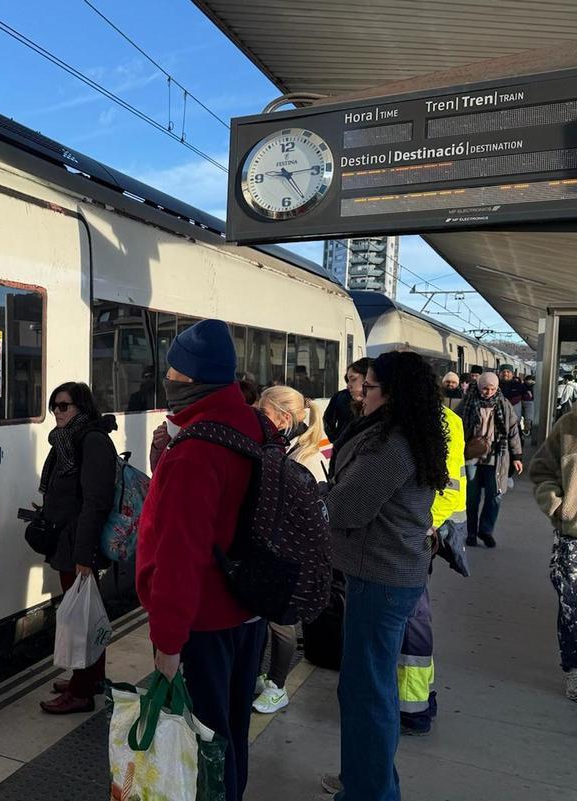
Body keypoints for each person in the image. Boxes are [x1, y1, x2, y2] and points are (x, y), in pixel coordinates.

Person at [135, 319, 263, 801]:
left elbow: (179, 554)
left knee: (205, 739)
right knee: (231, 731)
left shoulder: (195, 452)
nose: (167, 380)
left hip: (205, 621)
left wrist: (168, 642)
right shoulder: (254, 424)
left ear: (190, 379)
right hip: (248, 609)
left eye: (172, 372)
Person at [319, 351, 448, 801]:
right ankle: (364, 780)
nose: (360, 394)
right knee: (370, 688)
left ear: (391, 394)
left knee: (366, 692)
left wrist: (315, 496)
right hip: (388, 574)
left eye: (369, 387)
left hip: (380, 578)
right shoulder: (406, 432)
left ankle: (370, 792)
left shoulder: (390, 446)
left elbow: (347, 508)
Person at [529, 364, 577, 703]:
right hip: (572, 532)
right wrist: (556, 505)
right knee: (572, 601)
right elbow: (541, 470)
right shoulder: (567, 426)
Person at [37, 381, 118, 714]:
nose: (57, 412)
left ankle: (81, 693)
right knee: (84, 614)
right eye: (54, 406)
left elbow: (95, 502)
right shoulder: (68, 440)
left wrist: (84, 555)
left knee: (79, 621)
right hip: (69, 539)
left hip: (78, 544)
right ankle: (91, 679)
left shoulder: (92, 440)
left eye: (63, 406)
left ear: (81, 408)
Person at [252, 385, 328, 715]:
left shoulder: (305, 456)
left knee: (282, 622)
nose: (259, 418)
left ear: (284, 418)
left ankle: (278, 686)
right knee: (270, 617)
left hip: (292, 553)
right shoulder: (295, 447)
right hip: (283, 548)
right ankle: (265, 678)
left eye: (264, 412)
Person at [398, 381, 468, 737]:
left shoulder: (432, 423)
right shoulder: (439, 419)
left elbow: (448, 487)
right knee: (414, 617)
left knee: (412, 618)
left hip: (420, 534)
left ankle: (413, 707)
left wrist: (423, 525)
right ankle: (418, 698)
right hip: (424, 531)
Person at [462, 372, 523, 548]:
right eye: (485, 389)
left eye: (492, 389)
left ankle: (486, 530)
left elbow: (513, 431)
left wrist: (517, 456)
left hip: (496, 457)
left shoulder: (504, 404)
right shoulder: (467, 402)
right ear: (479, 386)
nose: (488, 392)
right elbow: (457, 426)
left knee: (495, 495)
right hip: (471, 456)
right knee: (471, 497)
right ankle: (471, 532)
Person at [323, 357, 371, 442]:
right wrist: (336, 439)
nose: (348, 386)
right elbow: (328, 419)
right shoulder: (340, 397)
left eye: (353, 379)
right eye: (348, 380)